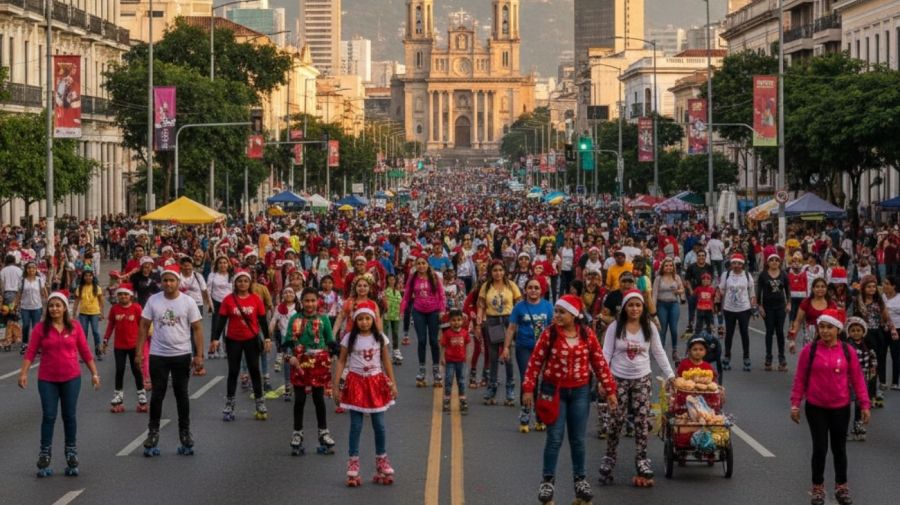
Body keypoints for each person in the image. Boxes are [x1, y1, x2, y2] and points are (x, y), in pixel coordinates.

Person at [522, 294, 618, 505]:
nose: (556, 315)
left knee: (578, 440)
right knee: (555, 438)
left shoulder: (587, 335)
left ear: (574, 315)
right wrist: (528, 389)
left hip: (580, 392)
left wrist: (610, 390)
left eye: (561, 312)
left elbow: (599, 362)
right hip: (554, 392)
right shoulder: (549, 335)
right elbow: (535, 362)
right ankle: (547, 482)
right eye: (555, 311)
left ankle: (580, 482)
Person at [790, 309, 870, 505]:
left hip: (841, 407)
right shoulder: (810, 351)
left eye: (829, 328)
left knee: (839, 448)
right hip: (816, 407)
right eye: (822, 327)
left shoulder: (847, 351)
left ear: (838, 329)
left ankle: (841, 487)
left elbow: (858, 380)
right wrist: (795, 404)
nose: (825, 331)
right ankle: (817, 488)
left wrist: (865, 404)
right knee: (820, 448)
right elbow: (800, 379)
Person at [18, 291, 100, 477]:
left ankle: (71, 451)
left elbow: (85, 352)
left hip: (71, 378)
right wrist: (23, 373)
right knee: (49, 416)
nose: (54, 308)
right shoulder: (40, 329)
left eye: (58, 305)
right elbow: (30, 352)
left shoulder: (75, 327)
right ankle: (45, 453)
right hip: (47, 379)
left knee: (69, 416)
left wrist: (94, 373)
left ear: (65, 308)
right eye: (51, 306)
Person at [599, 289, 675, 487]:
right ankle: (609, 458)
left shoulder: (649, 327)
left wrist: (671, 376)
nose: (634, 309)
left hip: (642, 379)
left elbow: (659, 352)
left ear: (643, 308)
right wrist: (602, 379)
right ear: (624, 307)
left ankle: (642, 460)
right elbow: (605, 354)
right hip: (618, 379)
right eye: (631, 305)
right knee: (616, 420)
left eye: (638, 305)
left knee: (642, 421)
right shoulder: (615, 327)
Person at [136, 268, 204, 456]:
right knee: (158, 394)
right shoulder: (154, 300)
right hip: (158, 354)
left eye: (171, 280)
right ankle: (153, 432)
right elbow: (143, 325)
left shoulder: (187, 301)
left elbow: (197, 328)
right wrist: (139, 351)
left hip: (182, 354)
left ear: (177, 281)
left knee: (181, 394)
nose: (168, 283)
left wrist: (199, 355)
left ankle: (185, 433)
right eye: (165, 280)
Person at [333, 300, 398, 487]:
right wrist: (336, 386)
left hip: (376, 382)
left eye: (367, 318)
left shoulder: (380, 338)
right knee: (355, 425)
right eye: (360, 319)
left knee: (379, 424)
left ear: (373, 320)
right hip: (356, 383)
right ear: (355, 321)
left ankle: (382, 459)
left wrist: (392, 383)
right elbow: (341, 362)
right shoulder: (348, 339)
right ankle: (353, 461)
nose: (363, 322)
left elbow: (386, 361)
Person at [210, 269, 272, 421]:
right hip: (233, 340)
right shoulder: (228, 300)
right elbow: (221, 320)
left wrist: (268, 338)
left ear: (250, 283)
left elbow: (263, 320)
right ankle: (230, 403)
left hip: (251, 339)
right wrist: (215, 338)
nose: (242, 284)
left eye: (245, 281)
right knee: (233, 371)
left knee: (254, 370)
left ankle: (260, 402)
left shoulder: (256, 299)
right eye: (239, 281)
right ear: (235, 283)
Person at [284, 287, 337, 456]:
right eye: (306, 300)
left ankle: (323, 433)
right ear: (302, 302)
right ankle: (297, 434)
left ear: (318, 302)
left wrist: (335, 354)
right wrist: (289, 357)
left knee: (318, 398)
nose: (310, 304)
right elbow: (286, 342)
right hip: (299, 362)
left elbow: (330, 340)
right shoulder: (295, 318)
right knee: (299, 399)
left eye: (313, 300)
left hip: (318, 363)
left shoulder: (323, 319)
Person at [502, 278, 554, 432]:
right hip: (524, 348)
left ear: (541, 290)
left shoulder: (548, 306)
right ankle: (525, 414)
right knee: (528, 379)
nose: (533, 290)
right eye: (530, 287)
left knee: (542, 382)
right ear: (525, 290)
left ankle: (540, 416)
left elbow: (553, 329)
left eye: (536, 288)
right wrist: (506, 347)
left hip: (543, 349)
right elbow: (511, 328)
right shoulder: (519, 307)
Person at [476, 260, 522, 405]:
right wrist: (478, 320)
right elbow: (481, 304)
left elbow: (519, 303)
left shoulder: (511, 285)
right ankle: (492, 387)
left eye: (500, 270)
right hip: (493, 321)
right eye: (495, 270)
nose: (498, 273)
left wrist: (520, 321)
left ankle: (510, 389)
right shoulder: (486, 286)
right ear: (491, 272)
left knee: (508, 355)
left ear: (505, 271)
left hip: (509, 321)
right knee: (494, 355)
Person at [400, 256, 446, 387]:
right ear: (416, 265)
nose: (421, 266)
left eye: (423, 263)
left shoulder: (435, 277)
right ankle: (421, 369)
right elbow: (407, 295)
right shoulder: (413, 277)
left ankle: (436, 369)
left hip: (434, 311)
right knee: (421, 340)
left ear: (427, 264)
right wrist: (402, 310)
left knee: (433, 340)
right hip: (418, 311)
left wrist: (442, 310)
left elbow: (442, 294)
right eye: (418, 263)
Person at [102, 283, 147, 413]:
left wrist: (143, 345)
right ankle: (118, 396)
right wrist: (105, 339)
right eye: (120, 294)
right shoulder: (115, 309)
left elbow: (143, 326)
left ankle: (141, 395)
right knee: (120, 370)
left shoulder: (137, 308)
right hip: (119, 346)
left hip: (134, 345)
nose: (123, 297)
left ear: (131, 296)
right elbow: (111, 325)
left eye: (125, 294)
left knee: (136, 370)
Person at [718, 253, 757, 371]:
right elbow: (721, 290)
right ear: (731, 264)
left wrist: (754, 307)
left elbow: (752, 293)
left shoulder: (747, 275)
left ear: (742, 265)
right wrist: (717, 308)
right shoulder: (726, 274)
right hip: (729, 309)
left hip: (744, 309)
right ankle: (727, 357)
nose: (736, 266)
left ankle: (746, 358)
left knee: (744, 333)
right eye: (734, 263)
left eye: (739, 263)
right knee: (729, 334)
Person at [757, 253, 790, 371]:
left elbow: (787, 289)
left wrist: (789, 303)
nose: (774, 262)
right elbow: (758, 291)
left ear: (779, 262)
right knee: (769, 331)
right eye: (772, 260)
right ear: (768, 262)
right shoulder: (763, 275)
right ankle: (768, 358)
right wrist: (759, 306)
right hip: (768, 308)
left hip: (780, 307)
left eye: (777, 260)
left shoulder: (784, 275)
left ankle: (782, 358)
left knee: (780, 331)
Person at [845, 317, 876, 441]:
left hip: (863, 378)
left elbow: (873, 358)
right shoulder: (847, 346)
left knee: (859, 403)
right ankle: (842, 427)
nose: (856, 333)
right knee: (846, 402)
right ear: (849, 332)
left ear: (863, 332)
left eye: (859, 330)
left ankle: (858, 424)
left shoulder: (867, 345)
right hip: (849, 378)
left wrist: (873, 368)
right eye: (853, 330)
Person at [652, 257, 685, 361]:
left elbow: (682, 289)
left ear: (673, 267)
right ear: (663, 267)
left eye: (671, 265)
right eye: (666, 265)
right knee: (662, 329)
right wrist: (653, 310)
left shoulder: (677, 277)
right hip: (662, 304)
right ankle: (660, 352)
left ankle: (675, 351)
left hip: (674, 304)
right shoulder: (658, 278)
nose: (668, 267)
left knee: (674, 329)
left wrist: (678, 291)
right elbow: (654, 294)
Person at [13, 261, 48, 356]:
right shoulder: (22, 280)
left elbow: (44, 292)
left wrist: (48, 302)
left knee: (36, 327)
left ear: (36, 269)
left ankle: (37, 346)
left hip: (37, 307)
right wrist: (15, 305)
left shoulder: (40, 280)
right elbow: (19, 294)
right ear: (26, 269)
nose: (31, 269)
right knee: (26, 325)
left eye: (33, 267)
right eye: (29, 268)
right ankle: (25, 344)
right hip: (25, 307)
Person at [270, 286, 298, 400]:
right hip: (285, 338)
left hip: (299, 338)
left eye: (291, 292)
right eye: (286, 292)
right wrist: (270, 331)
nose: (288, 294)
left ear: (294, 295)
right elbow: (273, 320)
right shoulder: (279, 308)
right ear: (282, 296)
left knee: (300, 361)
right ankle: (288, 386)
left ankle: (300, 384)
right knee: (288, 362)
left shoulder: (299, 307)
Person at [439, 309, 471, 413]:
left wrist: (468, 356)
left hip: (461, 361)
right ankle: (447, 400)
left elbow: (467, 345)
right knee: (448, 380)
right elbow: (443, 346)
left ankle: (462, 400)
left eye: (458, 320)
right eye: (453, 320)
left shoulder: (465, 333)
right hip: (450, 361)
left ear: (462, 321)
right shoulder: (447, 333)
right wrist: (442, 357)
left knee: (461, 380)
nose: (456, 322)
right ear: (449, 321)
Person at [72, 269, 104, 361]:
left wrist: (101, 313)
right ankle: (83, 354)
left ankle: (98, 352)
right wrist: (74, 313)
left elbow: (101, 301)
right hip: (83, 314)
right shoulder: (80, 288)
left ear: (93, 277)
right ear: (83, 277)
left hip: (95, 313)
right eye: (86, 275)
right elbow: (76, 301)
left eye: (90, 275)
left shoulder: (97, 287)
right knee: (83, 333)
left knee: (96, 332)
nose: (88, 277)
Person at [206, 256, 232, 359]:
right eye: (220, 263)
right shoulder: (212, 275)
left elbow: (234, 290)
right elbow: (208, 290)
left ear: (228, 264)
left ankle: (227, 349)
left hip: (229, 303)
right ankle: (213, 349)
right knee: (215, 326)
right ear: (217, 264)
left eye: (225, 262)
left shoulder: (231, 275)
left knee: (228, 327)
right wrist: (210, 304)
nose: (223, 265)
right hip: (216, 302)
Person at [383, 274, 403, 365]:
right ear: (387, 281)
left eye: (393, 279)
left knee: (395, 333)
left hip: (396, 315)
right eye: (390, 279)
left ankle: (396, 350)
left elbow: (401, 303)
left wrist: (401, 312)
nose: (392, 281)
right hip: (387, 315)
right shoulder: (385, 291)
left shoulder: (398, 291)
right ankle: (386, 352)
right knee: (385, 334)